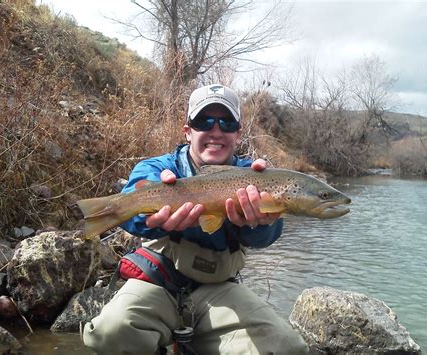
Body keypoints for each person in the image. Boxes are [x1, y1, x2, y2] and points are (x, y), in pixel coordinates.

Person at [83, 84, 308, 354]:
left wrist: (258, 223)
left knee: (287, 347)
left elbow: (269, 236)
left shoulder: (255, 175)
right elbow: (132, 201)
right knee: (108, 332)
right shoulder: (160, 169)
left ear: (237, 134)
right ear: (188, 131)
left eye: (226, 123)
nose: (215, 131)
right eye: (204, 121)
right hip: (158, 283)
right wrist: (154, 219)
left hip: (220, 291)